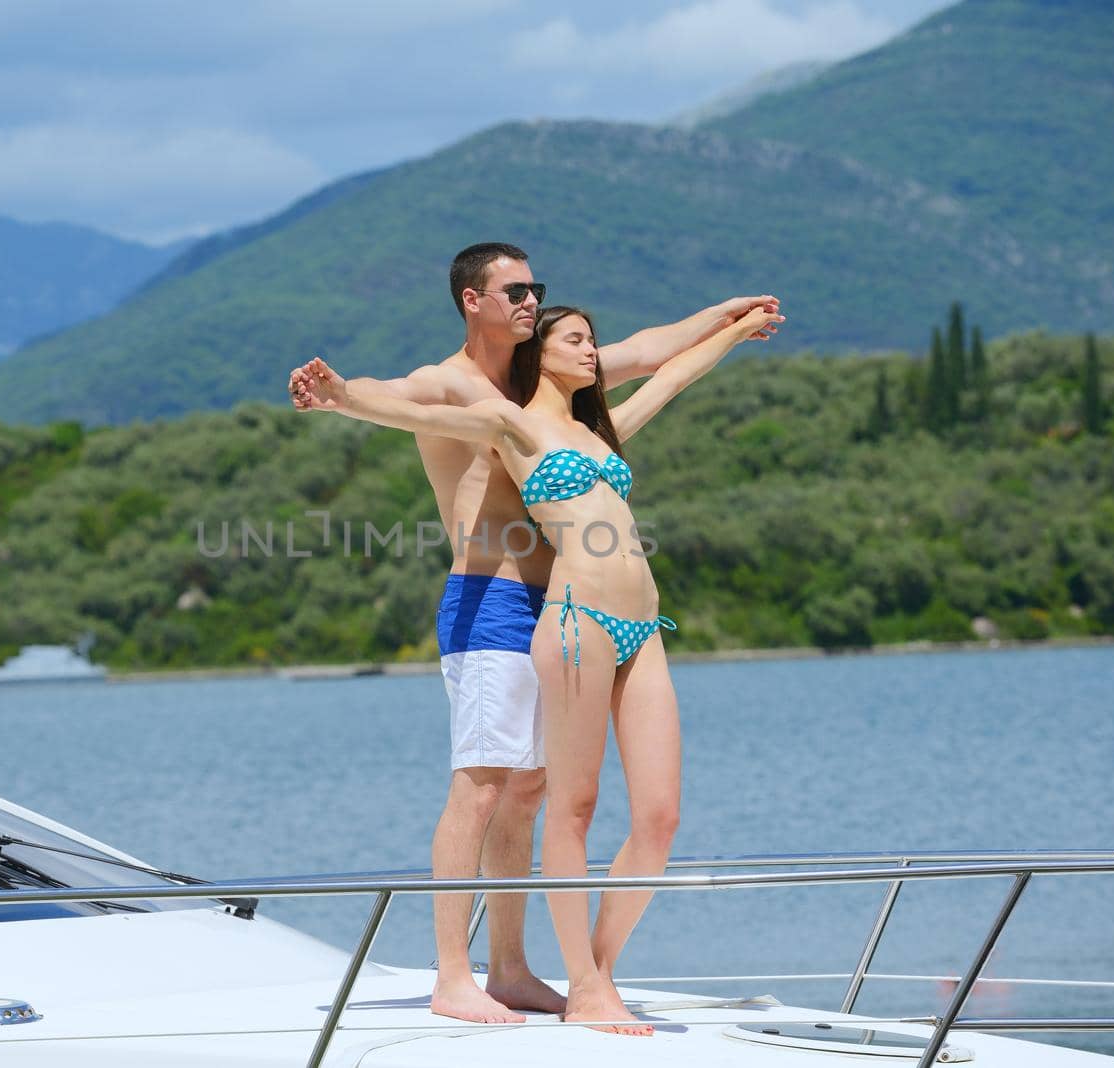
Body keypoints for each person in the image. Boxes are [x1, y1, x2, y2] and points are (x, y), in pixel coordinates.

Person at [288, 243, 779, 1025]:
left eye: (534, 291)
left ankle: (511, 968)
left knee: (531, 790)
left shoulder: (542, 382)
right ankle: (454, 974)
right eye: (515, 290)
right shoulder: (461, 383)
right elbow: (397, 400)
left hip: (564, 600)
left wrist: (721, 317)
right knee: (483, 784)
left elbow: (656, 355)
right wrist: (339, 392)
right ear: (470, 300)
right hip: (490, 597)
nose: (529, 300)